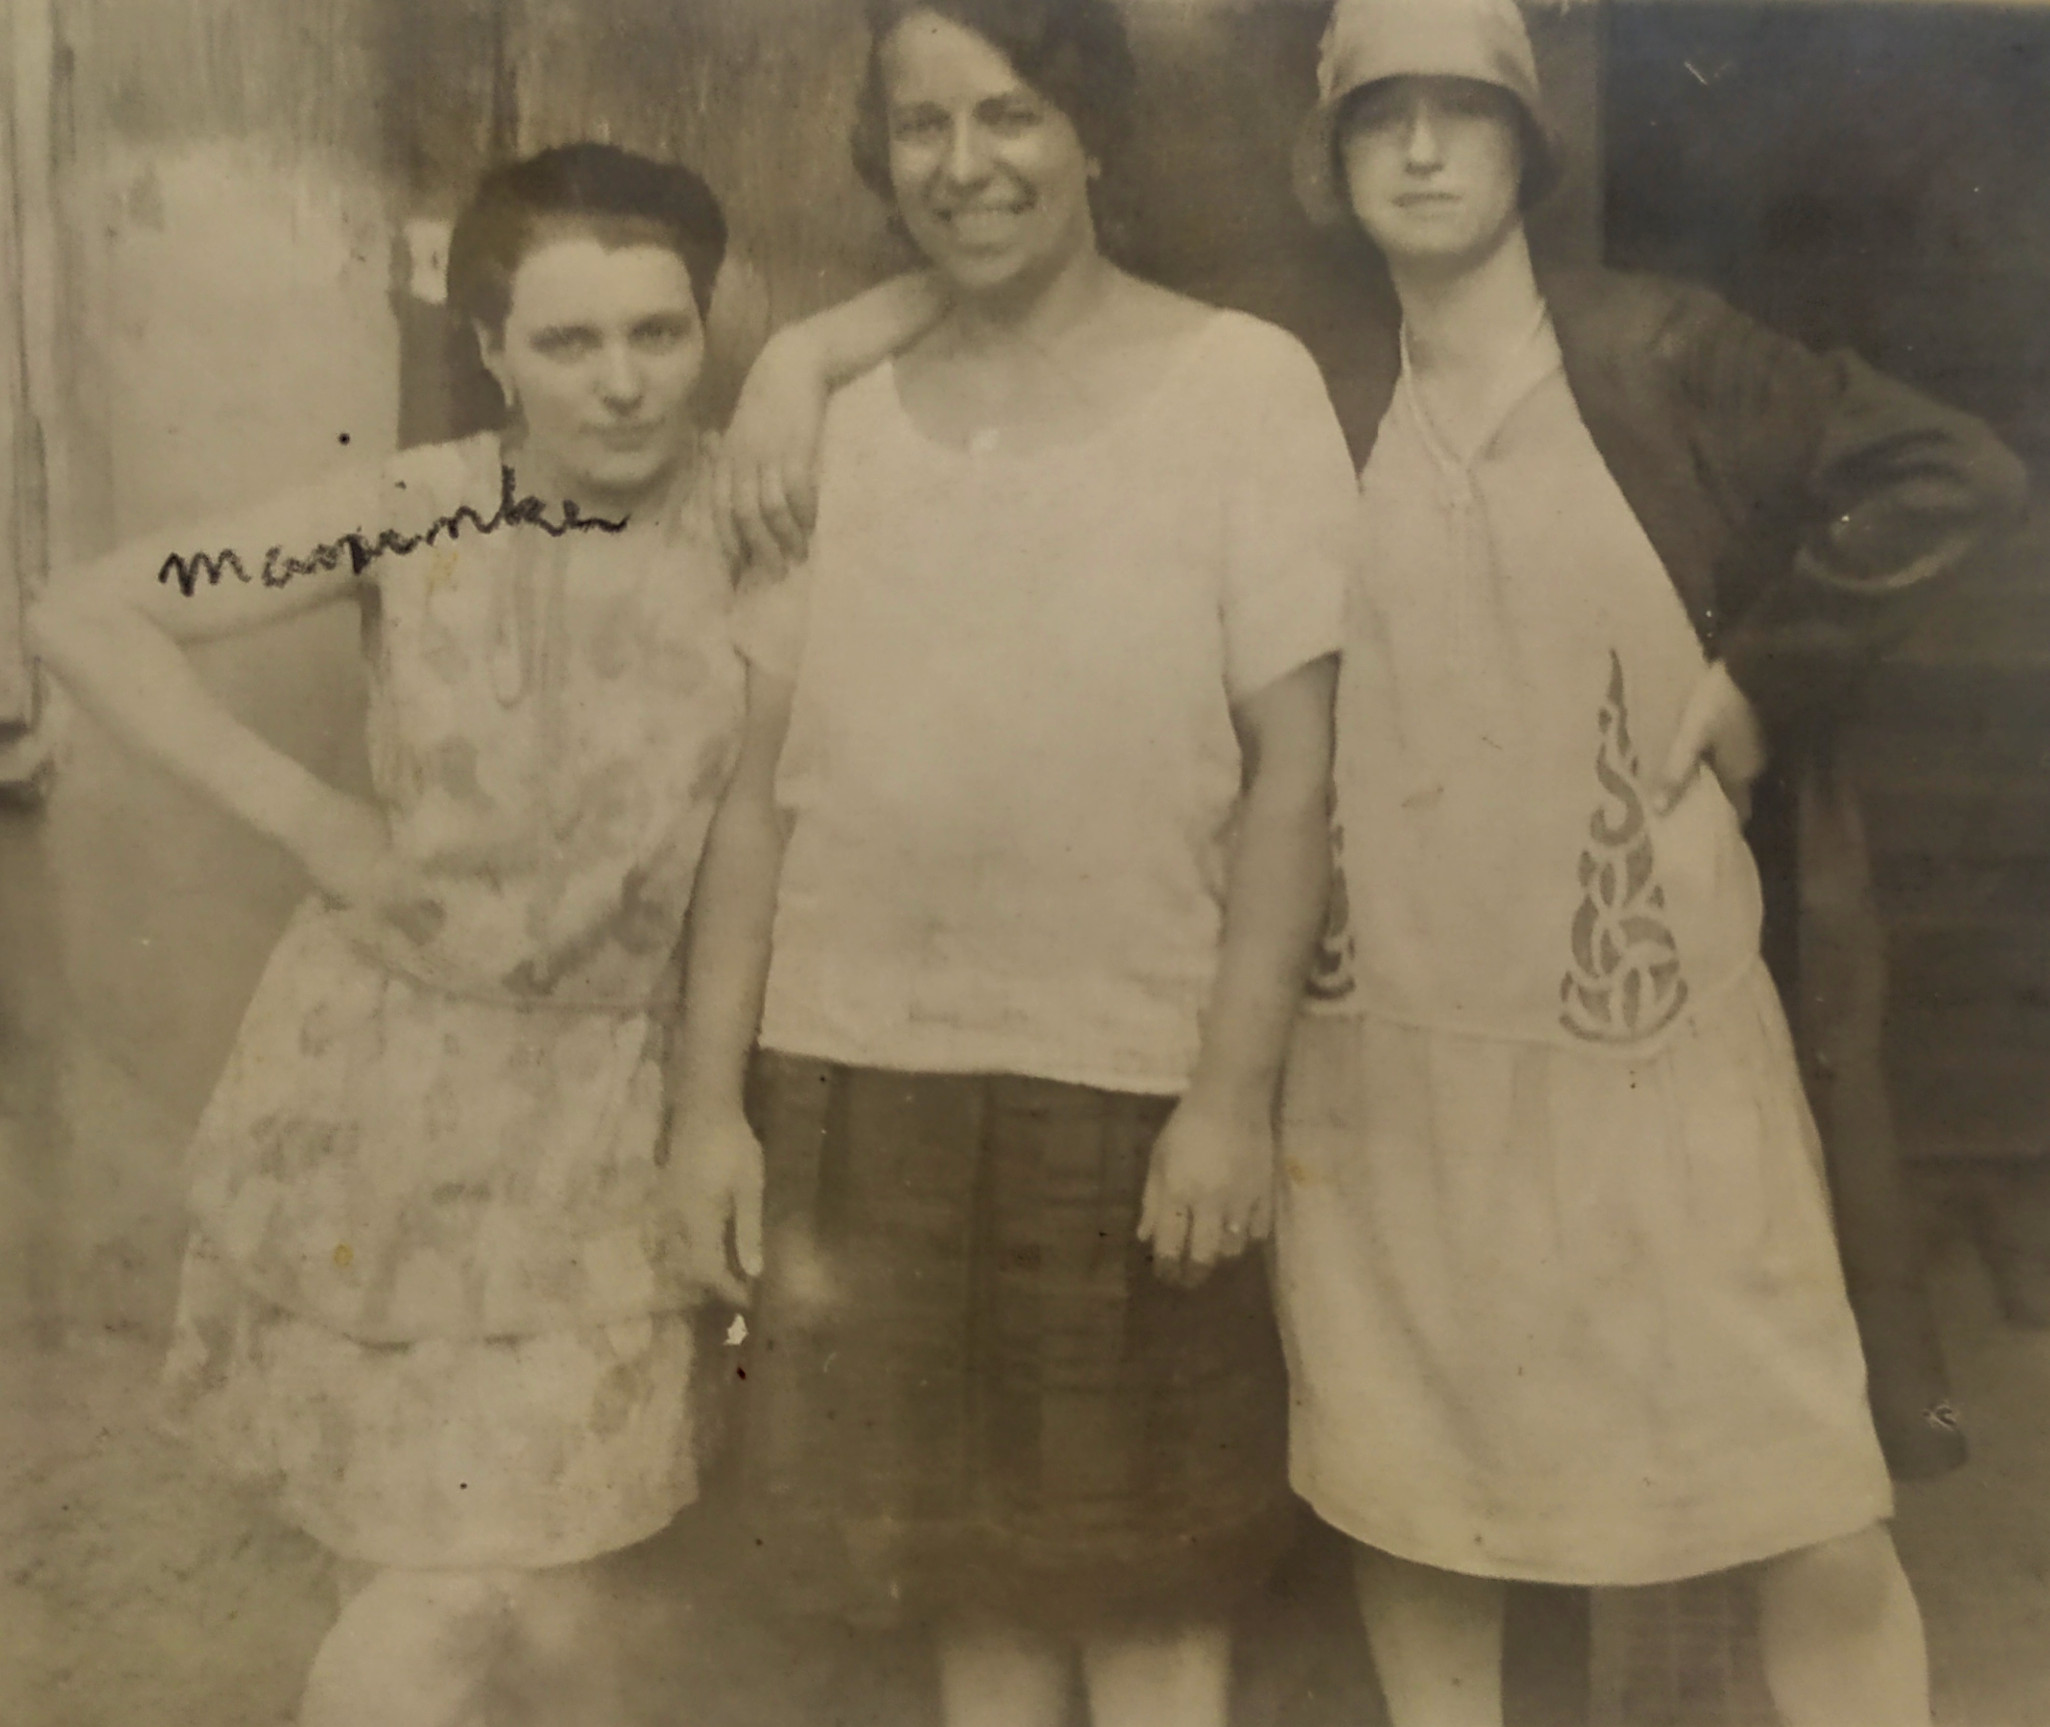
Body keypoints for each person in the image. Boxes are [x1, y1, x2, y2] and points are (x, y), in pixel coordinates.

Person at [1270, 2, 2028, 1725]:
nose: (1421, 148)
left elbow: (1949, 473)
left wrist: (1764, 676)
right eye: (1380, 115)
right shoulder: (1306, 392)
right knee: (1420, 1498)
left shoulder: (1657, 353)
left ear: (1527, 142)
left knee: (1805, 1504)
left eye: (1463, 110)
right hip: (1384, 1052)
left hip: (1648, 1037)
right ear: (1331, 153)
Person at [664, 3, 1360, 1724]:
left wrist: (1227, 1098)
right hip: (858, 1081)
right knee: (965, 1593)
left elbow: (1295, 780)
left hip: (1123, 1082)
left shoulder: (1242, 385)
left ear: (1093, 132)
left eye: (1013, 114)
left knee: (1148, 1599)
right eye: (922, 126)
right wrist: (706, 1111)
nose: (964, 165)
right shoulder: (827, 422)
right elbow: (756, 798)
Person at [31, 143, 750, 1727]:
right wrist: (306, 817)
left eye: (659, 332)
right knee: (433, 1592)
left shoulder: (754, 523)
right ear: (490, 350)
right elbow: (84, 611)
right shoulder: (415, 510)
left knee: (556, 1602)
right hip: (388, 1109)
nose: (622, 382)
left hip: (608, 1123)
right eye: (567, 340)